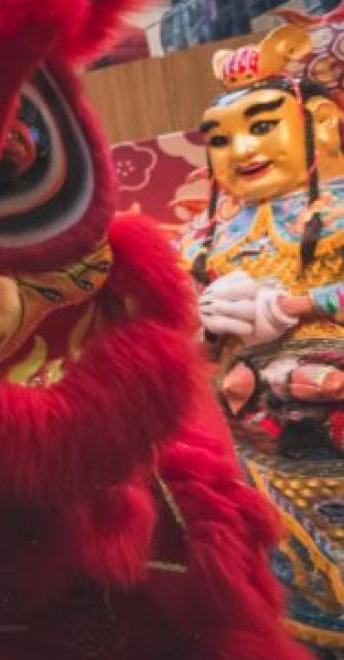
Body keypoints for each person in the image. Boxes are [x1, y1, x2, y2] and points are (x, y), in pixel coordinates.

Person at [181, 24, 344, 654]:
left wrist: (295, 305)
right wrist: (205, 325)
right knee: (293, 590)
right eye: (220, 139)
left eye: (263, 125)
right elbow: (181, 338)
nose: (240, 150)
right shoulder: (206, 236)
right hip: (263, 443)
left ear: (321, 122)